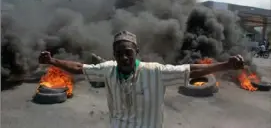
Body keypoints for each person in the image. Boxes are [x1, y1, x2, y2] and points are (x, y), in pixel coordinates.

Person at [39, 30, 245, 128]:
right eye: (119, 53)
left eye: (128, 52)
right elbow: (78, 68)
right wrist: (53, 61)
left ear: (137, 51)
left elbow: (190, 70)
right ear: (114, 54)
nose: (124, 57)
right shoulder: (108, 69)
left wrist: (225, 65)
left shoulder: (154, 71)